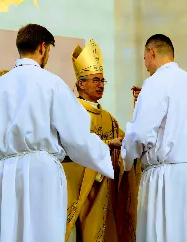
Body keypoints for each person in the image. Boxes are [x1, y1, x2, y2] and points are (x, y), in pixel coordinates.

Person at [0, 24, 114, 242]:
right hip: (43, 172)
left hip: (6, 174)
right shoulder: (52, 83)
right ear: (43, 48)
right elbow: (76, 137)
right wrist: (103, 155)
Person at [121, 34, 187, 242]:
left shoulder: (155, 83)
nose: (146, 66)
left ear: (151, 53)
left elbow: (140, 133)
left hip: (165, 180)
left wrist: (126, 159)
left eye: (145, 59)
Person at [63, 39, 139, 242]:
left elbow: (127, 142)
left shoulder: (108, 118)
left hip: (107, 193)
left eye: (102, 81)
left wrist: (140, 109)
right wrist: (107, 145)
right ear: (81, 83)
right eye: (95, 80)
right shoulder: (72, 113)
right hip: (83, 193)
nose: (100, 85)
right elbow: (69, 150)